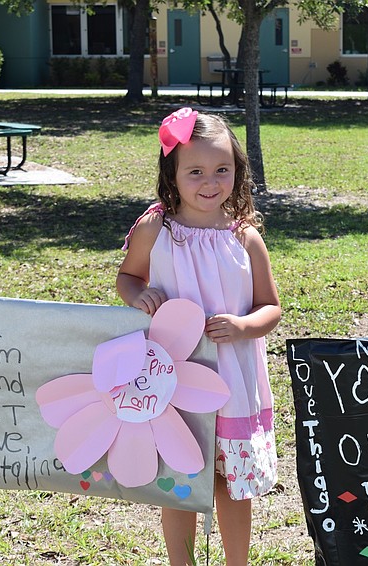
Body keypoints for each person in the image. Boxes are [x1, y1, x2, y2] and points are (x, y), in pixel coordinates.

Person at [117, 107, 281, 566]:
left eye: (222, 169)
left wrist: (245, 326)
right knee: (180, 479)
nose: (210, 182)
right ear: (172, 174)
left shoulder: (244, 236)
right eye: (195, 172)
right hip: (172, 379)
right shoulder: (156, 229)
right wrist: (139, 295)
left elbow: (271, 307)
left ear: (237, 170)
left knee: (232, 483)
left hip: (231, 378)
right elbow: (127, 276)